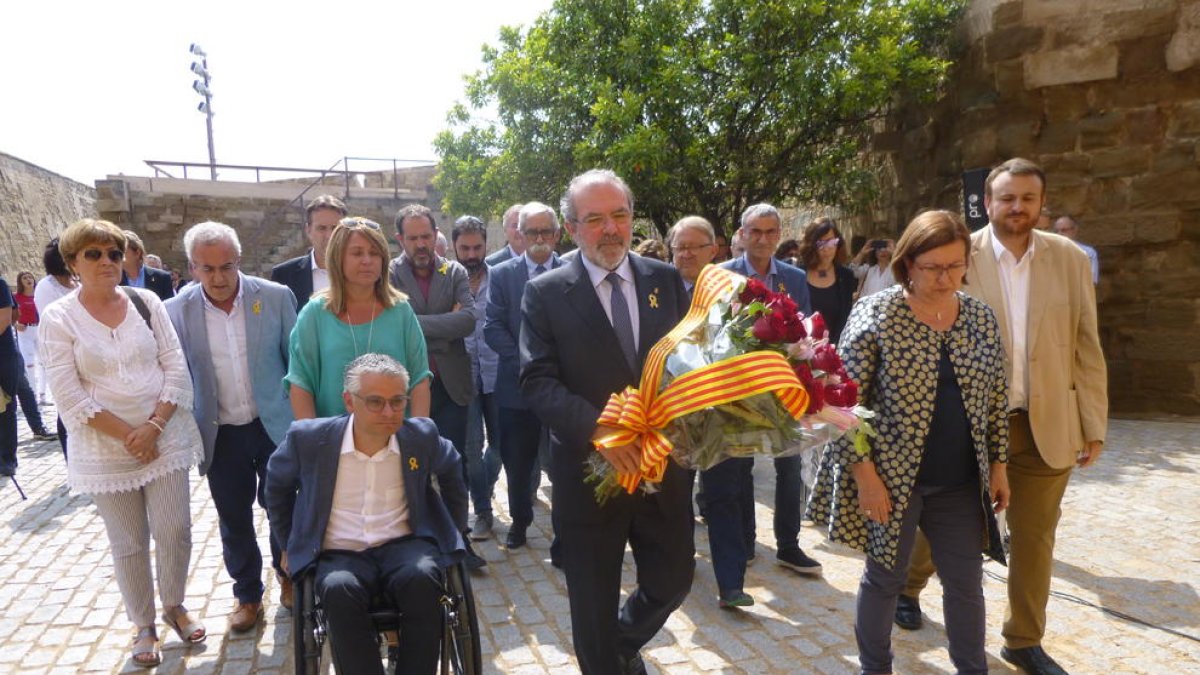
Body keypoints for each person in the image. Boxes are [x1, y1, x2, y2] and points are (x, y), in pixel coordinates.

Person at [900, 159, 1108, 675]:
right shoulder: (954, 255)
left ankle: (1023, 639)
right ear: (986, 203)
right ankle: (907, 586)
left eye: (1028, 199)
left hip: (1047, 424)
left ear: (1042, 203)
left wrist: (1093, 422)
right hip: (967, 424)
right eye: (1007, 198)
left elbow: (1087, 342)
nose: (1018, 208)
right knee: (948, 520)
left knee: (1036, 536)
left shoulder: (1070, 259)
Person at [808, 210, 1010, 675]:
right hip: (893, 480)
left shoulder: (979, 316)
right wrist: (866, 478)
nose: (945, 278)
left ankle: (972, 668)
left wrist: (998, 466)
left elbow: (996, 398)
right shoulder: (876, 314)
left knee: (965, 583)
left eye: (956, 266)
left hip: (960, 482)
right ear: (907, 263)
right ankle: (874, 668)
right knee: (885, 579)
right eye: (933, 267)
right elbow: (845, 406)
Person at [521, 169, 693, 673]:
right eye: (595, 219)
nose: (611, 229)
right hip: (587, 469)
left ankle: (619, 645)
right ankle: (604, 656)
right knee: (592, 601)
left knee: (673, 580)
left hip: (662, 467)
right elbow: (536, 380)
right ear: (571, 228)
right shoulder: (547, 292)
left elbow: (688, 360)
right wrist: (602, 431)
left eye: (620, 215)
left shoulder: (664, 279)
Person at [38, 219, 205, 667]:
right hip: (105, 449)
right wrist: (128, 436)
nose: (107, 261)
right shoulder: (59, 318)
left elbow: (174, 364)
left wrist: (153, 427)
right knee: (129, 541)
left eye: (113, 253)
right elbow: (67, 391)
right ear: (74, 263)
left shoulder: (146, 301)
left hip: (164, 436)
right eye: (93, 254)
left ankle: (174, 605)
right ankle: (144, 624)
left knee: (175, 530)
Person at [265, 353, 469, 675]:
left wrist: (455, 530)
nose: (389, 412)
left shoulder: (420, 437)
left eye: (397, 401)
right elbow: (276, 485)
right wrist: (288, 543)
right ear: (349, 401)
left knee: (424, 579)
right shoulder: (310, 440)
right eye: (375, 402)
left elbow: (453, 469)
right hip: (338, 551)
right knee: (337, 589)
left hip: (404, 545)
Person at [165, 221, 298, 629]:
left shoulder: (274, 297)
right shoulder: (175, 311)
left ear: (239, 261)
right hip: (220, 431)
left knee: (282, 505)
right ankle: (247, 595)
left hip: (272, 422)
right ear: (192, 268)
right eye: (208, 269)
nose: (219, 277)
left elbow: (295, 361)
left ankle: (288, 575)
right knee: (233, 515)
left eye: (227, 266)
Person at [721, 203, 823, 577]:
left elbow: (805, 330)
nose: (762, 239)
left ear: (779, 235)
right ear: (742, 235)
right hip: (740, 386)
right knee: (741, 464)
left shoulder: (795, 278)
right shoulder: (723, 275)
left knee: (790, 463)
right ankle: (746, 541)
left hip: (784, 388)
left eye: (769, 232)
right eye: (755, 232)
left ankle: (789, 545)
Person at [286, 218, 432, 420]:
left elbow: (419, 379)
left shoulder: (401, 311)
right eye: (357, 253)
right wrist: (311, 440)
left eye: (374, 253)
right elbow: (300, 383)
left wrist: (419, 433)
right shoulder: (314, 314)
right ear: (338, 258)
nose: (367, 260)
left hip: (395, 438)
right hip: (332, 441)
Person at [485, 202, 564, 551]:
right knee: (517, 464)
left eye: (546, 231)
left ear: (558, 234)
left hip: (566, 389)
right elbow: (493, 327)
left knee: (565, 465)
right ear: (519, 233)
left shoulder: (574, 270)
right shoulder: (502, 274)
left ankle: (566, 533)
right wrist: (530, 364)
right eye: (532, 231)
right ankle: (519, 522)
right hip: (517, 388)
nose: (540, 238)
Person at [388, 205, 475, 490]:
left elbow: (467, 321)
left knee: (454, 462)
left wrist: (412, 323)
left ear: (435, 234)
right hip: (407, 385)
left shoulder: (454, 272)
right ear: (400, 239)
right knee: (411, 464)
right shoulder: (389, 274)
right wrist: (445, 327)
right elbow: (392, 325)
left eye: (426, 236)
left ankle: (457, 528)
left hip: (451, 387)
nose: (421, 244)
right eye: (413, 238)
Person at [452, 216, 504, 543]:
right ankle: (483, 511)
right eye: (465, 248)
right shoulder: (447, 281)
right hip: (462, 377)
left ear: (486, 244)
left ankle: (480, 482)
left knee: (502, 445)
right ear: (454, 246)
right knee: (471, 448)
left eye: (477, 247)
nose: (472, 254)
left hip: (499, 374)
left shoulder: (502, 278)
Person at [35, 237, 79, 455]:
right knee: (67, 407)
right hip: (62, 352)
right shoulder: (46, 286)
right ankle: (70, 458)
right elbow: (52, 320)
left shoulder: (76, 283)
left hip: (85, 350)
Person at [271, 194, 347, 312]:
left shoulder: (361, 272)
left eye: (335, 228)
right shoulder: (284, 275)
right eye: (321, 228)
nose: (329, 236)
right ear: (308, 231)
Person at [797, 217, 857, 344]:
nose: (827, 249)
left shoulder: (846, 276)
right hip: (801, 350)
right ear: (811, 245)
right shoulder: (797, 274)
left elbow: (845, 317)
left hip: (834, 350)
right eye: (821, 243)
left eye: (831, 242)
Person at [13, 271, 47, 403]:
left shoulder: (39, 295)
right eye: (24, 278)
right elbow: (9, 313)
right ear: (20, 282)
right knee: (29, 364)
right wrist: (15, 324)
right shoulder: (16, 297)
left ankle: (43, 395)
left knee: (44, 363)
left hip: (40, 329)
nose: (28, 280)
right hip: (25, 331)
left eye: (30, 277)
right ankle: (32, 395)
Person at [666, 216, 717, 294]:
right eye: (680, 247)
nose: (686, 254)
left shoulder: (726, 288)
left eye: (694, 247)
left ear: (713, 251)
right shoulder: (658, 288)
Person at [119, 230, 175, 301]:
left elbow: (168, 308)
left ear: (137, 253)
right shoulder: (115, 280)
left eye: (122, 252)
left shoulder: (162, 278)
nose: (117, 256)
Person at [1053, 216, 1099, 285]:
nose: (1059, 234)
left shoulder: (1088, 252)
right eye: (1056, 231)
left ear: (1074, 230)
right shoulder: (1049, 252)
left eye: (1064, 230)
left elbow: (1091, 281)